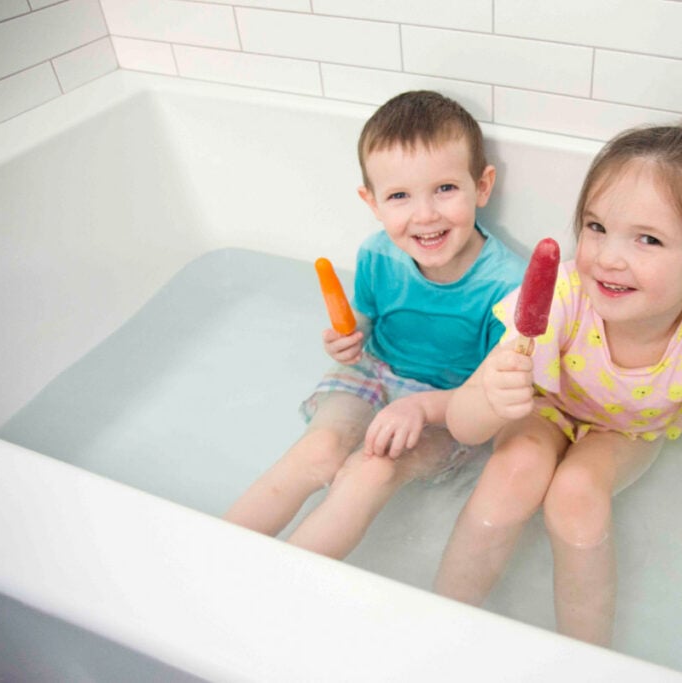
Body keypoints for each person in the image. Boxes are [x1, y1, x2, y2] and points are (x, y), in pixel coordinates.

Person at [433, 101, 682, 646]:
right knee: (511, 474)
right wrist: (491, 398)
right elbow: (463, 426)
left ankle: (587, 658)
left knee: (576, 496)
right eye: (597, 227)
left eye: (648, 239)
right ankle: (436, 625)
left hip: (626, 432)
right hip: (547, 405)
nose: (608, 258)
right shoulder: (562, 294)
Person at [224, 91, 526, 559]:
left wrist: (423, 408)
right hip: (374, 370)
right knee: (319, 449)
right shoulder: (376, 253)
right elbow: (365, 315)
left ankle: (281, 588)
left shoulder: (506, 286)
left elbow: (486, 395)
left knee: (372, 471)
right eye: (400, 196)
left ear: (482, 187)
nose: (424, 215)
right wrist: (351, 337)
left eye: (445, 188)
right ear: (372, 201)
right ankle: (213, 554)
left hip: (450, 406)